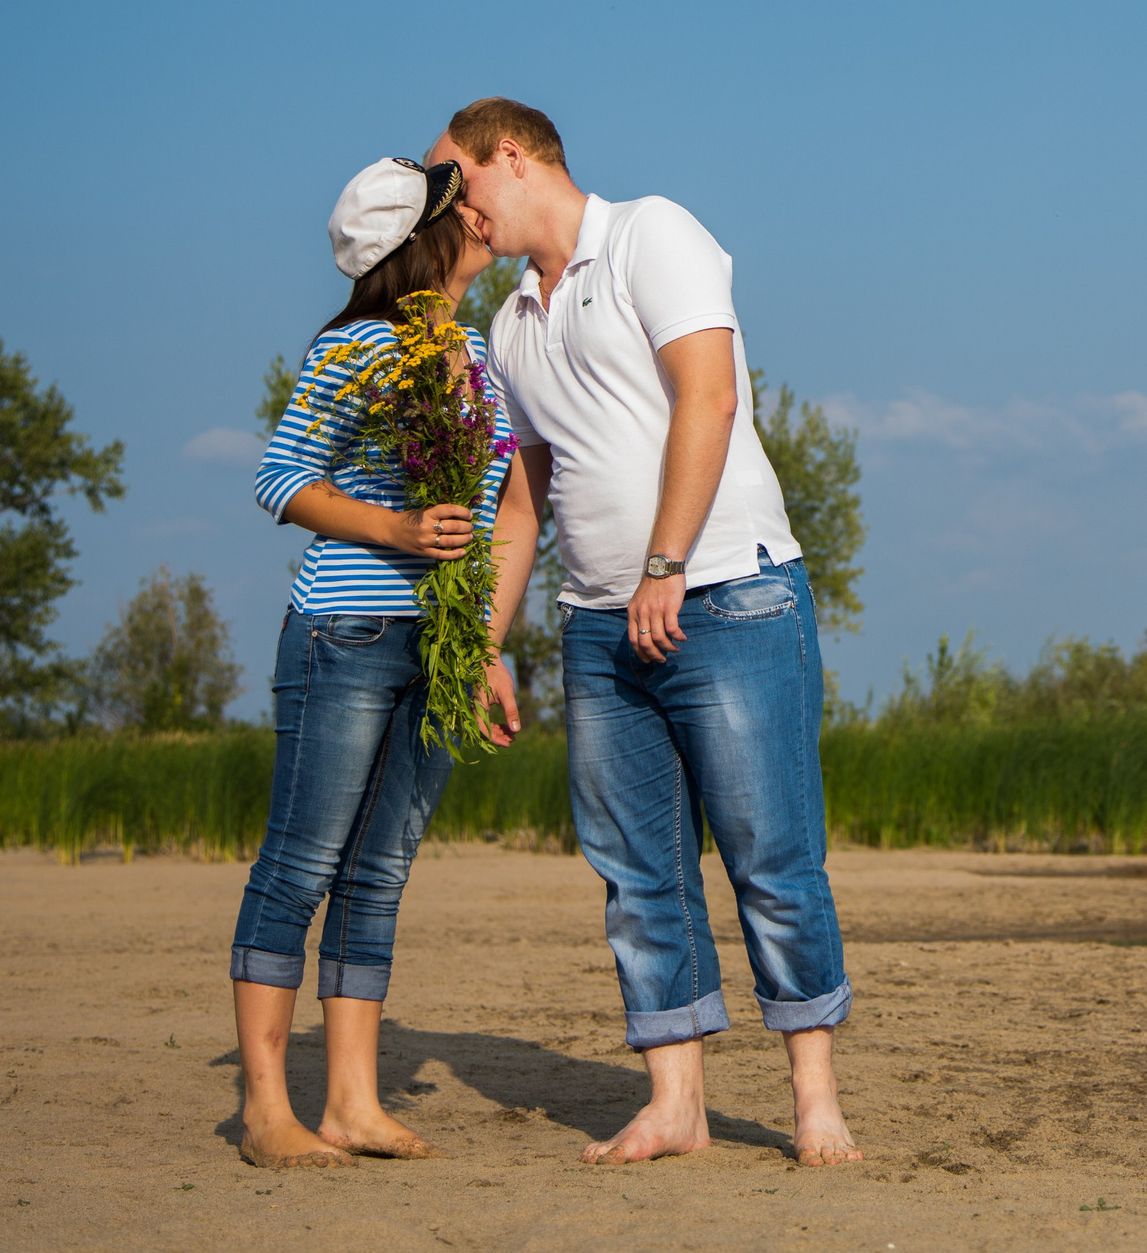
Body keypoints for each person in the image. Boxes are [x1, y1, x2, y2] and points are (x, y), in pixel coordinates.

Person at [426, 97, 861, 1167]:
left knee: (771, 857)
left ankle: (814, 1100)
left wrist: (664, 564)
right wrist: (488, 638)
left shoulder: (651, 235)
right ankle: (676, 1103)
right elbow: (524, 502)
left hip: (727, 596)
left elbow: (706, 401)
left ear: (512, 158)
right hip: (595, 630)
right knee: (636, 872)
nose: (452, 206)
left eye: (456, 181)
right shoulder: (509, 325)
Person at [227, 156, 527, 1169]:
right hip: (346, 632)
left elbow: (491, 516)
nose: (483, 216)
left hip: (438, 645)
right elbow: (279, 479)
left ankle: (353, 1102)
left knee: (380, 872)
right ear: (428, 237)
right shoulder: (358, 347)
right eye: (463, 208)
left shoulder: (475, 354)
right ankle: (267, 1112)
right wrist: (395, 530)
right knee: (300, 865)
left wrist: (485, 647)